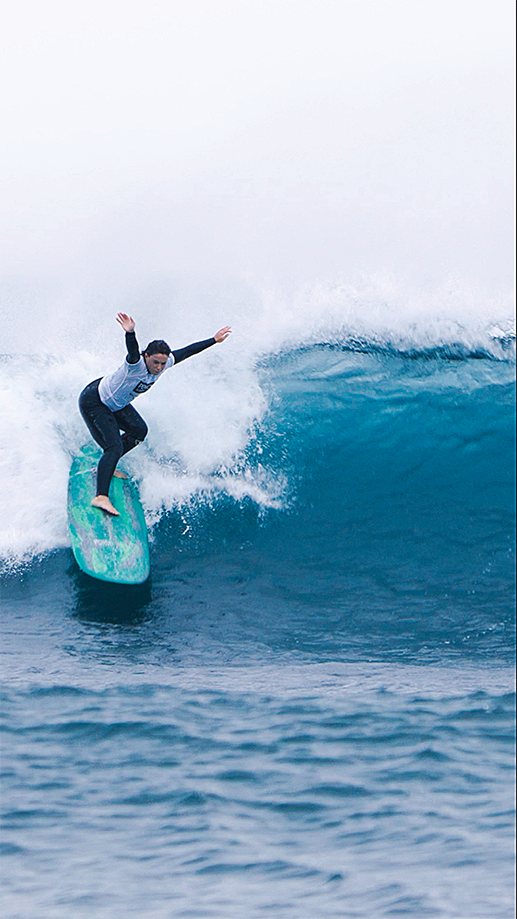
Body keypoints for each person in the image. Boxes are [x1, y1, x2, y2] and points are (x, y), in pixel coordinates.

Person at [79, 312, 231, 515]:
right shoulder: (136, 365)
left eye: (162, 363)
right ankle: (101, 497)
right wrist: (130, 333)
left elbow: (187, 352)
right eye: (155, 362)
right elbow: (132, 351)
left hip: (116, 403)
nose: (159, 367)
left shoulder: (165, 363)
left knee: (139, 430)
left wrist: (213, 340)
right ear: (146, 356)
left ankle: (107, 466)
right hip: (95, 401)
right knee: (113, 446)